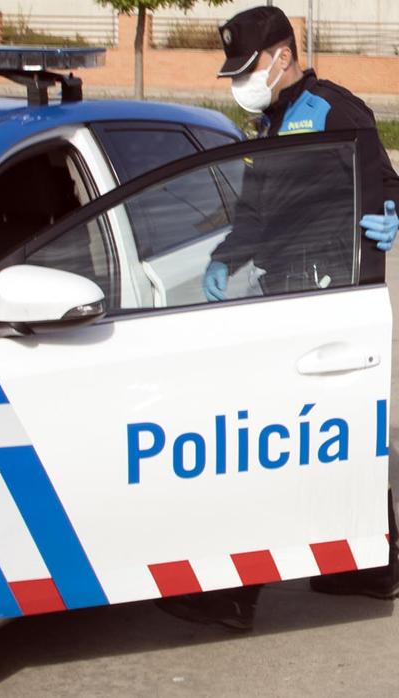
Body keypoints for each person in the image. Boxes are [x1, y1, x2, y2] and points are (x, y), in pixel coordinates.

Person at [156, 5, 399, 633]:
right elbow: (259, 212)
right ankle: (372, 569)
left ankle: (237, 594)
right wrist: (226, 256)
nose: (243, 78)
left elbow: (387, 179)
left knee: (275, 440)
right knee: (328, 435)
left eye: (251, 65)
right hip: (287, 288)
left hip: (323, 287)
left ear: (283, 57)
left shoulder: (332, 110)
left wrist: (393, 212)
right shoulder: (271, 121)